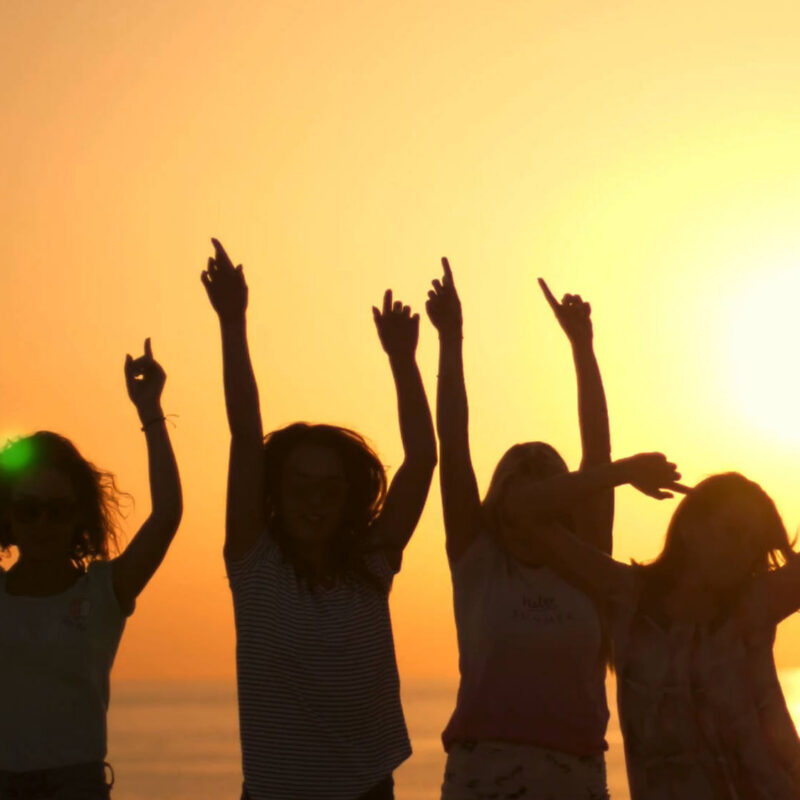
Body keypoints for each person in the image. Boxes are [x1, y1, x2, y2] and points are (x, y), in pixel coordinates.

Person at [426, 258, 681, 800]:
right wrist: (450, 339)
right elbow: (454, 442)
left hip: (575, 775)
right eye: (521, 483)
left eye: (549, 483)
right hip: (481, 775)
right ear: (502, 499)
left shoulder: (585, 559)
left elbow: (597, 451)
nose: (534, 498)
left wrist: (582, 347)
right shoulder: (477, 556)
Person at [201, 239, 437, 800]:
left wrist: (403, 361)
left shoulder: (371, 564)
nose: (314, 501)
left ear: (349, 497)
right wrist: (232, 322)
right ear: (276, 493)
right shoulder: (255, 565)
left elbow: (423, 459)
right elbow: (244, 433)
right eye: (299, 486)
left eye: (330, 489)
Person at [502, 467, 800, 799]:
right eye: (732, 531)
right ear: (690, 529)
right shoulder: (628, 596)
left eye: (754, 543)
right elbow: (519, 512)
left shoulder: (754, 604)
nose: (742, 551)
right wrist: (624, 471)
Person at [0, 339, 182, 800]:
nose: (43, 523)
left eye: (58, 510)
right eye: (29, 509)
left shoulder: (104, 592)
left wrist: (150, 412)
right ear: (8, 516)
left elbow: (166, 515)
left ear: (78, 517)